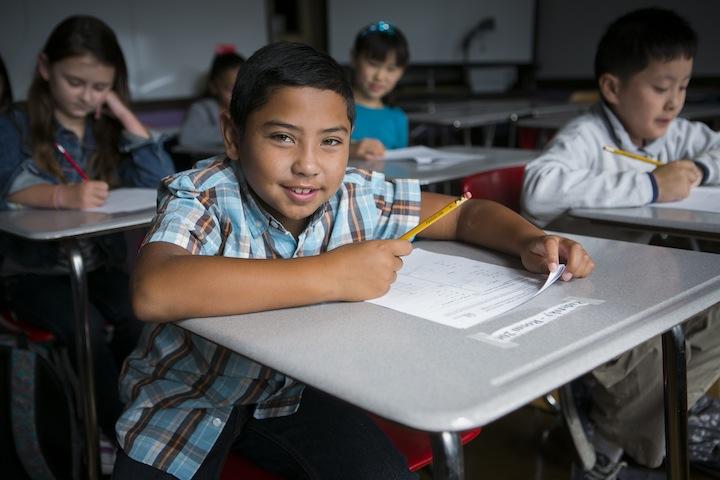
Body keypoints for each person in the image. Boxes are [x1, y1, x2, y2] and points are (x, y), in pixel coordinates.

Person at [114, 41, 594, 480]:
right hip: (185, 396)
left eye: (331, 141)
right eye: (282, 137)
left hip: (293, 394)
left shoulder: (356, 193)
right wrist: (332, 275)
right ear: (234, 137)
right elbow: (155, 288)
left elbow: (464, 214)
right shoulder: (201, 194)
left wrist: (529, 239)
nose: (308, 164)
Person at [520, 8, 720, 477]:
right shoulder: (588, 135)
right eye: (660, 87)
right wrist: (651, 186)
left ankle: (638, 430)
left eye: (683, 86)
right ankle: (628, 439)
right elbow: (539, 187)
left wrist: (700, 170)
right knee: (651, 359)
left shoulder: (672, 134)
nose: (674, 103)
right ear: (612, 88)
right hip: (593, 290)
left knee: (712, 313)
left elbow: (716, 147)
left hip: (650, 278)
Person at [0, 15, 174, 472]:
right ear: (44, 68)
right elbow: (7, 187)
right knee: (87, 327)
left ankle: (146, 416)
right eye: (75, 82)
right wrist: (62, 195)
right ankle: (117, 432)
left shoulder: (105, 127)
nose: (87, 96)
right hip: (34, 273)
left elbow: (161, 182)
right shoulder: (15, 123)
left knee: (144, 312)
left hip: (96, 266)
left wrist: (120, 111)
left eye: (101, 87)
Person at [349, 20, 409, 161]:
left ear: (402, 72)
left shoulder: (398, 118)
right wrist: (350, 150)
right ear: (354, 58)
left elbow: (402, 168)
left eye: (391, 69)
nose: (380, 76)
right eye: (373, 64)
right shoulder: (333, 106)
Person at [178, 46, 245, 147]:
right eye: (231, 90)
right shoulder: (202, 109)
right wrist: (232, 132)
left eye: (244, 87)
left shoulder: (248, 109)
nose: (238, 95)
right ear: (214, 87)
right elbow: (187, 138)